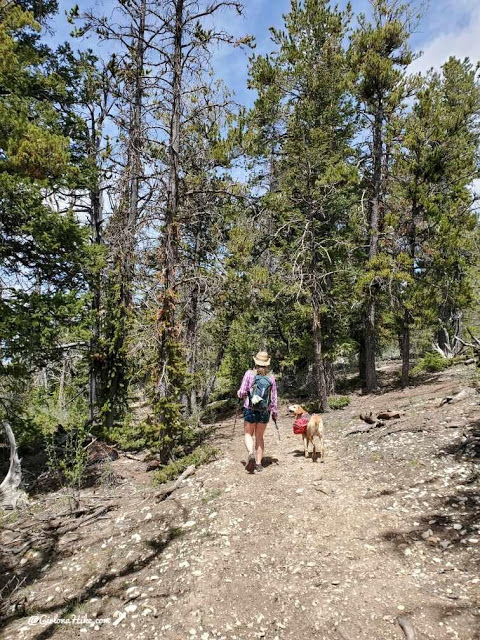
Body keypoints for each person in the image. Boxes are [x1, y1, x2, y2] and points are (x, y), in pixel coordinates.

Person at [237, 351, 278, 473]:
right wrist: (274, 414)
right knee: (259, 436)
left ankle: (250, 454)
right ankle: (259, 464)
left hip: (250, 409)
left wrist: (239, 394)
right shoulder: (271, 378)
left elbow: (242, 392)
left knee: (248, 434)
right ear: (267, 364)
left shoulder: (249, 374)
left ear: (256, 362)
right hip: (264, 411)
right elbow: (274, 398)